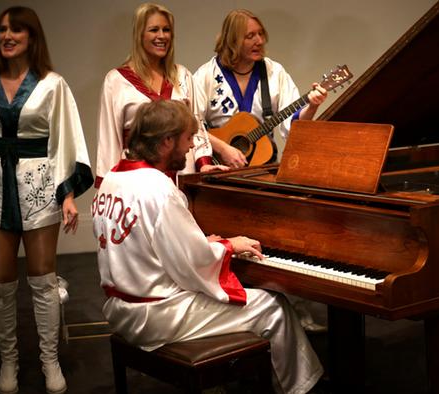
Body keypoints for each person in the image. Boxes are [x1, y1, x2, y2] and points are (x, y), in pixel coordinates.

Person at [93, 99, 323, 394]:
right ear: (166, 142)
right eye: (188, 139)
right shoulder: (159, 190)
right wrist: (227, 245)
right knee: (273, 306)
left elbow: (149, 246)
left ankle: (252, 378)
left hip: (120, 310)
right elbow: (192, 265)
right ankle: (303, 389)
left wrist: (199, 243)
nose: (191, 147)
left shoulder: (113, 178)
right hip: (157, 316)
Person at [0, 6, 93, 394]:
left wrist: (66, 195)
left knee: (43, 279)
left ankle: (49, 360)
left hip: (40, 185)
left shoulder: (52, 84)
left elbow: (66, 137)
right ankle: (9, 361)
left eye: (15, 30)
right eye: (1, 31)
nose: (7, 36)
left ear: (32, 36)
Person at [96, 2, 227, 188]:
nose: (161, 36)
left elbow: (196, 126)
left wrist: (203, 164)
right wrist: (108, 187)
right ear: (140, 34)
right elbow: (109, 139)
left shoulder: (182, 76)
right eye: (154, 30)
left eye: (166, 30)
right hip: (137, 181)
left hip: (181, 175)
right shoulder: (116, 81)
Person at [195, 9, 329, 168]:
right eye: (250, 36)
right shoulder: (206, 75)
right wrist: (223, 148)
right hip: (218, 169)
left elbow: (293, 127)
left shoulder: (274, 72)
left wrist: (312, 106)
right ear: (232, 41)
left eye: (260, 34)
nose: (259, 41)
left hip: (262, 169)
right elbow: (192, 125)